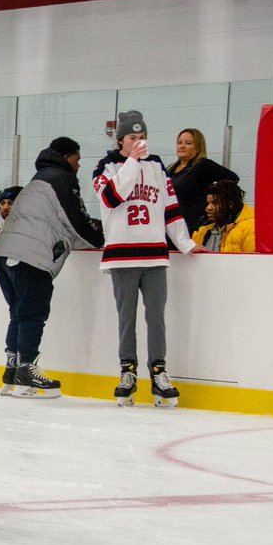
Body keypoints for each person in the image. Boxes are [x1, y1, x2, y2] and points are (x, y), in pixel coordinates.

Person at [92, 110, 205, 408]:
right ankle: (127, 371)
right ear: (120, 140)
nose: (139, 143)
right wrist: (131, 163)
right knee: (126, 319)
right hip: (121, 256)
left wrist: (185, 243)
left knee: (156, 317)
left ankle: (158, 372)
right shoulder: (105, 167)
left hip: (155, 254)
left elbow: (170, 207)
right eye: (132, 138)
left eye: (142, 138)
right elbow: (111, 198)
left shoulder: (157, 167)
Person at [0, 138, 104, 398]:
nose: (79, 166)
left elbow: (60, 223)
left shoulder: (39, 179)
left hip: (5, 253)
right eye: (77, 159)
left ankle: (12, 370)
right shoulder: (61, 179)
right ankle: (26, 368)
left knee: (18, 312)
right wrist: (101, 239)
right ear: (66, 157)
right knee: (33, 313)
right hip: (30, 255)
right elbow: (77, 220)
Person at [166, 128, 239, 231]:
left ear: (198, 147)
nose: (182, 146)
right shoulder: (170, 169)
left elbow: (233, 178)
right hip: (172, 226)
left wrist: (215, 199)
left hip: (193, 226)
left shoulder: (202, 166)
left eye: (188, 143)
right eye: (179, 142)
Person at [192, 180, 255, 253]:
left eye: (215, 203)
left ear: (230, 204)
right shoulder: (203, 230)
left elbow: (254, 262)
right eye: (208, 203)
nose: (208, 208)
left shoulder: (250, 227)